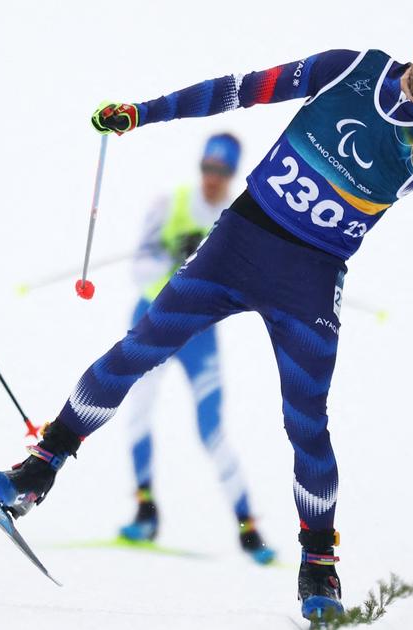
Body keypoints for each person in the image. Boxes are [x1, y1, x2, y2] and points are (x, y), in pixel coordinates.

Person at [0, 12, 413, 624]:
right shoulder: (349, 68)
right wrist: (143, 112)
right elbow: (241, 89)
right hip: (239, 243)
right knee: (140, 348)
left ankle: (319, 565)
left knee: (306, 424)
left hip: (312, 278)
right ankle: (37, 471)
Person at [117, 133, 276, 565]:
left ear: (232, 174)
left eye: (222, 172)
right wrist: (176, 264)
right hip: (153, 320)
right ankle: (145, 513)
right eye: (208, 168)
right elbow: (140, 267)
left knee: (211, 428)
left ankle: (249, 529)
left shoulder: (238, 219)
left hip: (198, 333)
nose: (212, 179)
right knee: (138, 413)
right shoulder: (169, 205)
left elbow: (243, 285)